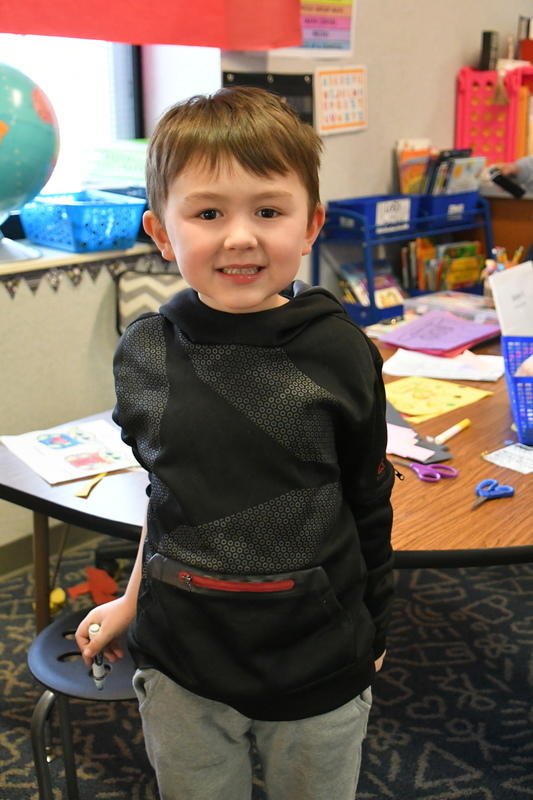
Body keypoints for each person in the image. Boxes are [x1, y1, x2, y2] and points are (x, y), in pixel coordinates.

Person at [75, 86, 395, 800]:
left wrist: (374, 629)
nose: (240, 237)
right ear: (162, 233)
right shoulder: (146, 352)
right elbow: (167, 497)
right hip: (182, 658)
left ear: (310, 225)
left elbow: (368, 500)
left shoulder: (339, 353)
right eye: (209, 213)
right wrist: (131, 600)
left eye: (268, 211)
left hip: (315, 658)